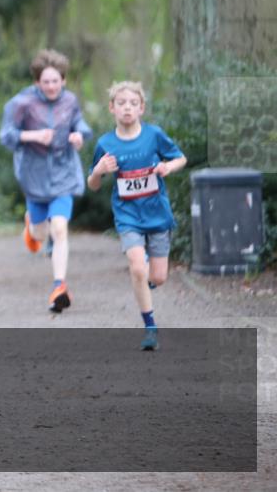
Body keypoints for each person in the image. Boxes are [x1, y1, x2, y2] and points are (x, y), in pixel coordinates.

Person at [87, 81, 186, 351]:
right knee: (137, 267)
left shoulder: (154, 135)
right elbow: (92, 184)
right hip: (127, 216)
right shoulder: (105, 143)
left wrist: (167, 167)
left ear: (141, 108)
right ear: (112, 108)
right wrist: (99, 171)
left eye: (133, 103)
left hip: (157, 215)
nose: (127, 108)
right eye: (121, 103)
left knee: (159, 277)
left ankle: (144, 277)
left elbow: (181, 158)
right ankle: (150, 327)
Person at [0, 50, 92, 313]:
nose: (51, 86)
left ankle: (59, 286)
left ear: (63, 80)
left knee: (60, 229)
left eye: (56, 81)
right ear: (37, 82)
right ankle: (31, 227)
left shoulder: (70, 101)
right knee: (40, 234)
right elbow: (6, 135)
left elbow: (81, 124)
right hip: (34, 176)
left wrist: (79, 135)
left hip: (64, 174)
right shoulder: (22, 103)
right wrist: (33, 136)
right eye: (46, 81)